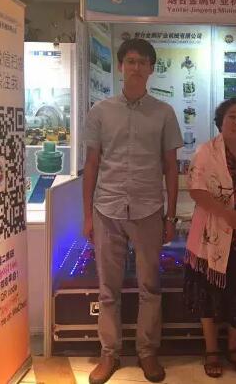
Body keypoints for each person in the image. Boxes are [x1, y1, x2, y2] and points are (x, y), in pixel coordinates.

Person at [83, 38, 183, 384]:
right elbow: (91, 165)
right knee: (107, 289)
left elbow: (171, 168)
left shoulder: (164, 113)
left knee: (149, 287)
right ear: (120, 66)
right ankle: (109, 353)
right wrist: (87, 215)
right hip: (107, 208)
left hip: (148, 209)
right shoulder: (100, 111)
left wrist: (171, 216)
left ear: (151, 69)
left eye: (143, 62)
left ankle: (147, 351)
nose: (136, 67)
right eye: (130, 61)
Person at [184, 97, 236, 378]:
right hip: (211, 235)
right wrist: (225, 214)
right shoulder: (205, 152)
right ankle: (211, 350)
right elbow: (196, 190)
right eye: (232, 116)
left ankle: (234, 347)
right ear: (221, 120)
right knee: (209, 295)